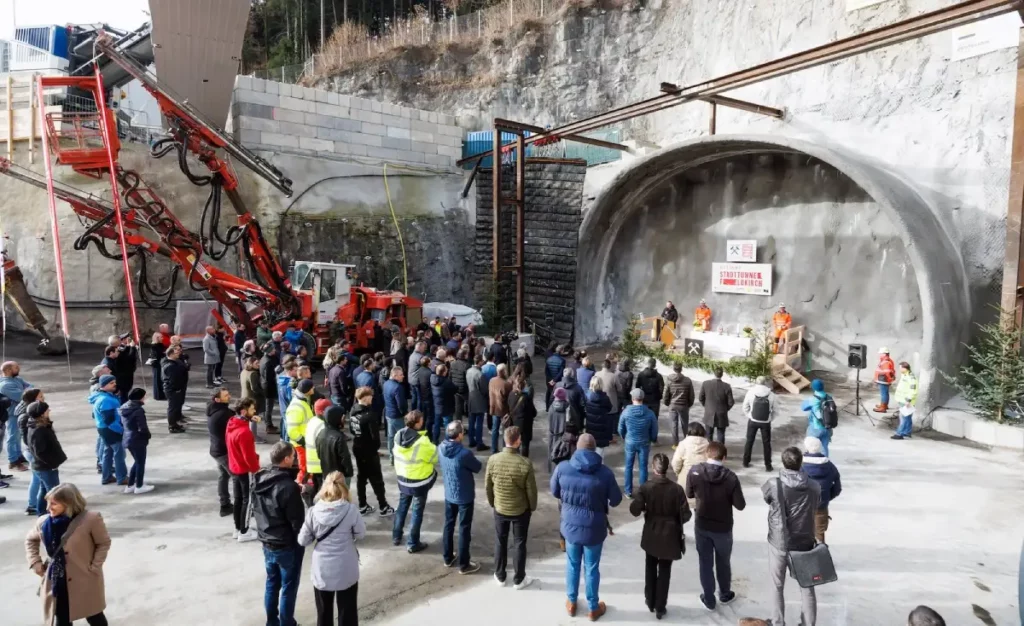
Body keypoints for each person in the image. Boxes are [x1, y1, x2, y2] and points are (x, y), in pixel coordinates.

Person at [551, 433, 622, 620]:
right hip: (594, 529)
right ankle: (592, 607)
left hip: (570, 527)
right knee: (591, 568)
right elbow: (616, 500)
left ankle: (572, 602)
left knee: (572, 564)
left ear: (578, 448)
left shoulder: (563, 468)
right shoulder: (605, 473)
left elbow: (554, 491)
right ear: (594, 449)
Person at [25, 483, 111, 626]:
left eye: (54, 504)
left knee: (94, 616)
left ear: (69, 503)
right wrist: (35, 562)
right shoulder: (44, 522)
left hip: (84, 578)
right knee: (62, 618)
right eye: (47, 503)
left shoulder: (91, 519)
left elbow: (103, 543)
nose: (48, 508)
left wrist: (95, 567)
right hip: (56, 580)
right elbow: (30, 540)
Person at [761, 447, 820, 626]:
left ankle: (778, 622)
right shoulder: (814, 485)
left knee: (777, 585)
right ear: (801, 462)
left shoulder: (774, 484)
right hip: (804, 541)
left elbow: (767, 498)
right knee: (807, 588)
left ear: (783, 462)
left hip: (779, 541)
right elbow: (816, 504)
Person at [298, 471, 365, 626]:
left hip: (322, 570)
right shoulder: (351, 509)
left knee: (323, 613)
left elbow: (303, 540)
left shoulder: (313, 511)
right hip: (346, 567)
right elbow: (361, 534)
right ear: (344, 487)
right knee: (347, 612)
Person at [629, 452, 690, 620]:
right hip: (670, 534)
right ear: (667, 468)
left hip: (652, 531)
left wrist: (642, 505)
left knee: (650, 566)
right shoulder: (676, 489)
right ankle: (660, 607)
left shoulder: (646, 487)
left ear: (653, 468)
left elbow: (634, 510)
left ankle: (650, 600)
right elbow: (686, 514)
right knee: (665, 570)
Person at [685, 441, 746, 611]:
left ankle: (709, 598)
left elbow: (689, 493)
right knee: (723, 562)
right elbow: (740, 505)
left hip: (702, 523)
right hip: (723, 527)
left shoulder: (695, 471)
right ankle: (725, 593)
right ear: (724, 457)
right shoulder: (731, 477)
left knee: (705, 562)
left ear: (706, 454)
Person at [254, 441, 307, 626]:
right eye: (293, 456)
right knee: (288, 587)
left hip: (267, 541)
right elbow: (297, 522)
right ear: (286, 459)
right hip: (286, 544)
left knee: (272, 583)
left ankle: (272, 622)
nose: (294, 459)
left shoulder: (260, 478)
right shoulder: (287, 487)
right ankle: (286, 623)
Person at [486, 426, 538, 589]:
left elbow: (488, 485)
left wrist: (493, 502)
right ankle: (519, 579)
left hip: (500, 508)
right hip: (520, 510)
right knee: (519, 543)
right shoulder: (525, 463)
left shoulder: (493, 460)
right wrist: (532, 507)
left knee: (500, 540)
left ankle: (500, 576)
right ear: (517, 441)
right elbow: (531, 491)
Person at [439, 420, 483, 574]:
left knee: (449, 525)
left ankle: (447, 557)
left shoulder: (441, 448)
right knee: (464, 529)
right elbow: (477, 467)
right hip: (464, 495)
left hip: (449, 493)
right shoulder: (464, 454)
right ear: (459, 436)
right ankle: (464, 564)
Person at [392, 410, 438, 553]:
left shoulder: (398, 435)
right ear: (417, 423)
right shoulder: (422, 442)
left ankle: (396, 535)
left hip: (403, 479)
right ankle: (412, 543)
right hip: (419, 482)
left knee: (402, 507)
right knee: (417, 512)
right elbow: (435, 457)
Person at [349, 387, 394, 516]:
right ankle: (383, 506)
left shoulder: (353, 410)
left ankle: (362, 505)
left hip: (357, 447)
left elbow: (353, 430)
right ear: (365, 397)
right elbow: (375, 437)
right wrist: (375, 449)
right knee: (377, 479)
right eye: (370, 396)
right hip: (369, 451)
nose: (372, 398)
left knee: (361, 478)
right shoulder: (369, 415)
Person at [227, 397, 262, 542]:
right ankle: (244, 531)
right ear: (243, 411)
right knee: (247, 500)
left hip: (234, 467)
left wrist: (250, 419)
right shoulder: (244, 433)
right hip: (245, 469)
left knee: (238, 499)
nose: (254, 411)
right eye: (252, 409)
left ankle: (238, 528)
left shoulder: (232, 423)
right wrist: (257, 470)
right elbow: (249, 457)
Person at [26, 401, 67, 514]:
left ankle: (41, 514)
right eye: (46, 410)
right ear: (41, 414)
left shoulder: (38, 425)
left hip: (43, 466)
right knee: (54, 493)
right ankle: (54, 515)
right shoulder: (39, 430)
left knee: (44, 491)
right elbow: (40, 452)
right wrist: (53, 464)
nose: (49, 411)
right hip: (46, 467)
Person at [619, 388, 659, 497]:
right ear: (642, 399)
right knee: (643, 467)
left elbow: (620, 428)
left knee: (628, 467)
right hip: (644, 442)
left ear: (632, 398)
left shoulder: (626, 412)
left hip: (630, 442)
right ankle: (643, 492)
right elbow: (655, 430)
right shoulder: (650, 413)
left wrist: (624, 437)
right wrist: (651, 438)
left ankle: (628, 491)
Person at [802, 437, 841, 544]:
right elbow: (837, 488)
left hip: (803, 506)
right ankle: (821, 557)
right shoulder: (830, 466)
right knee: (820, 535)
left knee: (802, 534)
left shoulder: (800, 466)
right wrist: (827, 496)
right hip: (821, 506)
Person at [90, 375, 127, 487]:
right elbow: (109, 420)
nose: (114, 384)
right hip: (111, 430)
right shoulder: (106, 400)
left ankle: (106, 477)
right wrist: (121, 430)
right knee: (119, 454)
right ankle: (122, 477)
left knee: (108, 453)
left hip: (103, 429)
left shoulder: (101, 397)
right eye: (111, 383)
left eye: (114, 382)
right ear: (103, 385)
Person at [119, 388, 154, 495]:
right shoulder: (138, 410)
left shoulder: (124, 407)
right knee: (140, 463)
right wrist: (148, 436)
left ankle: (130, 485)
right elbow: (142, 427)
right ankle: (139, 485)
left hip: (128, 438)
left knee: (137, 462)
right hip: (137, 439)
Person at [207, 387, 235, 517]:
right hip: (223, 451)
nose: (229, 396)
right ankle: (241, 505)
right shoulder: (224, 414)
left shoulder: (214, 410)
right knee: (238, 478)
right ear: (217, 399)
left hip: (216, 449)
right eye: (225, 395)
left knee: (224, 476)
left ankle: (225, 504)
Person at [1, 360, 31, 471]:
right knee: (12, 437)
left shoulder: (17, 379)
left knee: (18, 436)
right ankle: (13, 461)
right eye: (16, 367)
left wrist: (26, 390)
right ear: (8, 370)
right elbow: (23, 396)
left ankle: (19, 456)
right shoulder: (5, 385)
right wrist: (25, 391)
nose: (19, 369)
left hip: (20, 412)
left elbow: (31, 388)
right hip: (12, 414)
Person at [18, 388, 45, 513]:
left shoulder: (33, 411)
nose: (43, 398)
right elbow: (27, 438)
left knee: (38, 478)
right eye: (40, 396)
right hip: (32, 451)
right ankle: (32, 504)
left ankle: (34, 503)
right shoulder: (26, 416)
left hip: (33, 450)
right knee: (37, 478)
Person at [317, 405, 354, 496]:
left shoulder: (321, 433)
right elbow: (345, 458)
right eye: (342, 417)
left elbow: (318, 454)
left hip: (326, 475)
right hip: (340, 476)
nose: (344, 420)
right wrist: (349, 473)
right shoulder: (339, 437)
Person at [742, 376, 777, 470]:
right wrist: (770, 418)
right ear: (765, 383)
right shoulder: (771, 394)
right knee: (766, 443)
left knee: (749, 441)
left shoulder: (750, 392)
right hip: (766, 422)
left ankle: (745, 462)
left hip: (753, 421)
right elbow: (776, 410)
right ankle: (768, 465)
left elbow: (745, 407)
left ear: (756, 383)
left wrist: (749, 415)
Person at [286, 379, 316, 484]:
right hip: (301, 443)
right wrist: (301, 441)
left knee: (307, 467)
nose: (314, 388)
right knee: (304, 467)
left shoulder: (302, 400)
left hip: (305, 441)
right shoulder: (297, 406)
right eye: (312, 387)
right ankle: (301, 486)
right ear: (307, 390)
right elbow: (291, 430)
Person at [671, 423, 709, 507]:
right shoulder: (708, 445)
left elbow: (676, 463)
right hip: (703, 486)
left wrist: (678, 473)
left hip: (685, 483)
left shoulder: (683, 444)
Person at [699, 366, 734, 444]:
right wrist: (725, 409)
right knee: (721, 434)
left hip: (709, 412)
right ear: (722, 375)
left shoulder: (706, 384)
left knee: (708, 434)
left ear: (714, 374)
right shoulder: (727, 386)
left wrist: (707, 406)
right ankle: (720, 453)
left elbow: (701, 398)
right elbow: (731, 402)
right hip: (722, 413)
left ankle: (708, 452)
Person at [663, 362, 694, 448]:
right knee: (685, 424)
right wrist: (689, 404)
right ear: (681, 369)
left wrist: (667, 403)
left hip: (672, 405)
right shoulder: (687, 380)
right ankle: (686, 441)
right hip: (684, 405)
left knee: (674, 424)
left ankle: (675, 444)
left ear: (674, 368)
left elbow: (666, 393)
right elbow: (691, 395)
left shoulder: (669, 380)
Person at [507, 372, 538, 459]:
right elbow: (533, 412)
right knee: (525, 444)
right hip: (525, 425)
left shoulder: (511, 395)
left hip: (514, 422)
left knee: (515, 443)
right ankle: (524, 460)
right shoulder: (526, 398)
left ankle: (515, 460)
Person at [161, 345, 189, 434]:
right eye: (176, 353)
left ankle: (175, 423)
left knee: (175, 407)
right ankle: (172, 426)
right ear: (171, 354)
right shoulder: (170, 366)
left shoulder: (172, 363)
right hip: (173, 390)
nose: (178, 354)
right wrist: (177, 389)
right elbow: (173, 380)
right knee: (172, 408)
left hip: (174, 389)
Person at [382, 367, 408, 464]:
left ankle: (392, 458)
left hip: (389, 414)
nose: (403, 376)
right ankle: (401, 458)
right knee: (401, 437)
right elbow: (401, 404)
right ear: (395, 375)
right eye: (401, 375)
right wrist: (405, 413)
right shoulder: (398, 387)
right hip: (397, 416)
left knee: (391, 437)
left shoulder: (386, 384)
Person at [801, 379, 833, 455]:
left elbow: (803, 407)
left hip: (815, 427)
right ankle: (825, 463)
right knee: (824, 447)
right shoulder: (829, 397)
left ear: (813, 388)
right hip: (827, 427)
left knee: (810, 446)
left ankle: (811, 463)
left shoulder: (812, 399)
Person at [585, 376, 614, 455]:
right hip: (602, 427)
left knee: (590, 449)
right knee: (600, 452)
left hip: (590, 427)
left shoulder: (587, 396)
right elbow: (609, 408)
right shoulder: (605, 398)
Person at [241, 356, 267, 442]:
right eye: (256, 363)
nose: (258, 364)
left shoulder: (243, 372)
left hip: (245, 397)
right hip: (253, 399)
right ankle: (254, 437)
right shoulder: (253, 374)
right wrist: (263, 392)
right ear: (251, 364)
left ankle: (250, 435)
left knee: (248, 417)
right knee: (253, 417)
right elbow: (255, 388)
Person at [107, 334, 138, 403]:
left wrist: (127, 346)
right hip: (122, 379)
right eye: (119, 341)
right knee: (123, 396)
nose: (121, 342)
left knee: (124, 394)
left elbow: (124, 354)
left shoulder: (116, 350)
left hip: (123, 377)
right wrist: (132, 348)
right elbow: (128, 359)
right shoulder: (116, 353)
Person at [488, 363, 512, 453]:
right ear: (504, 371)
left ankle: (494, 449)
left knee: (495, 429)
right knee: (505, 430)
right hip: (504, 410)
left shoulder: (491, 381)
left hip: (494, 408)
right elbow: (509, 398)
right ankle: (505, 449)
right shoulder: (506, 384)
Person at [431, 363, 458, 444]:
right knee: (448, 426)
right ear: (444, 372)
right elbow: (455, 389)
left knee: (437, 425)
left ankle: (435, 440)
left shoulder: (432, 379)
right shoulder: (447, 382)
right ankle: (447, 442)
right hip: (447, 407)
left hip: (437, 406)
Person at [466, 355, 489, 451]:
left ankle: (471, 441)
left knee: (471, 421)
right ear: (479, 362)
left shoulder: (468, 371)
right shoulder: (480, 374)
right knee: (479, 422)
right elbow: (484, 390)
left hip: (471, 398)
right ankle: (479, 443)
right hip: (479, 400)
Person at [260, 342, 282, 434]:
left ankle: (269, 424)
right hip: (268, 387)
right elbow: (268, 377)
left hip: (268, 385)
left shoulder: (268, 358)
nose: (274, 350)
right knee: (268, 407)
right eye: (272, 349)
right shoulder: (268, 362)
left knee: (268, 407)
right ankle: (268, 425)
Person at [892, 361, 918, 440]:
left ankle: (899, 434)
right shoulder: (904, 375)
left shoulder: (911, 378)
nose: (899, 369)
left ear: (904, 368)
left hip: (906, 401)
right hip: (902, 400)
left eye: (900, 367)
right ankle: (907, 432)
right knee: (907, 417)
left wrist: (908, 400)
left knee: (903, 417)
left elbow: (913, 390)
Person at [277, 360, 298, 441]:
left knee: (284, 427)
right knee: (289, 430)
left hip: (283, 407)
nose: (297, 372)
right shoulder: (291, 383)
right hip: (289, 409)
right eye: (295, 370)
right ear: (290, 371)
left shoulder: (281, 379)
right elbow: (291, 398)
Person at [450, 346, 472, 423]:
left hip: (456, 389)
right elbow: (468, 378)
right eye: (467, 354)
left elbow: (450, 375)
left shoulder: (452, 363)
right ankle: (471, 423)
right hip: (465, 389)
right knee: (469, 407)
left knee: (458, 409)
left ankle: (458, 425)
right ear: (464, 355)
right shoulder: (467, 365)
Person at [873, 346, 896, 412]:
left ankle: (883, 408)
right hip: (884, 379)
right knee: (885, 393)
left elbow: (887, 372)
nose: (879, 355)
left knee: (884, 393)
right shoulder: (887, 360)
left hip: (884, 380)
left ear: (884, 354)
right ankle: (884, 405)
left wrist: (889, 380)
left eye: (880, 353)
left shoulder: (886, 361)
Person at [148, 332, 167, 401]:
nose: (162, 338)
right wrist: (163, 354)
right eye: (161, 337)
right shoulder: (154, 346)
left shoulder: (160, 344)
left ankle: (161, 393)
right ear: (157, 338)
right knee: (157, 379)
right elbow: (156, 355)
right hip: (156, 364)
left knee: (160, 379)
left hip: (161, 363)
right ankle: (158, 395)